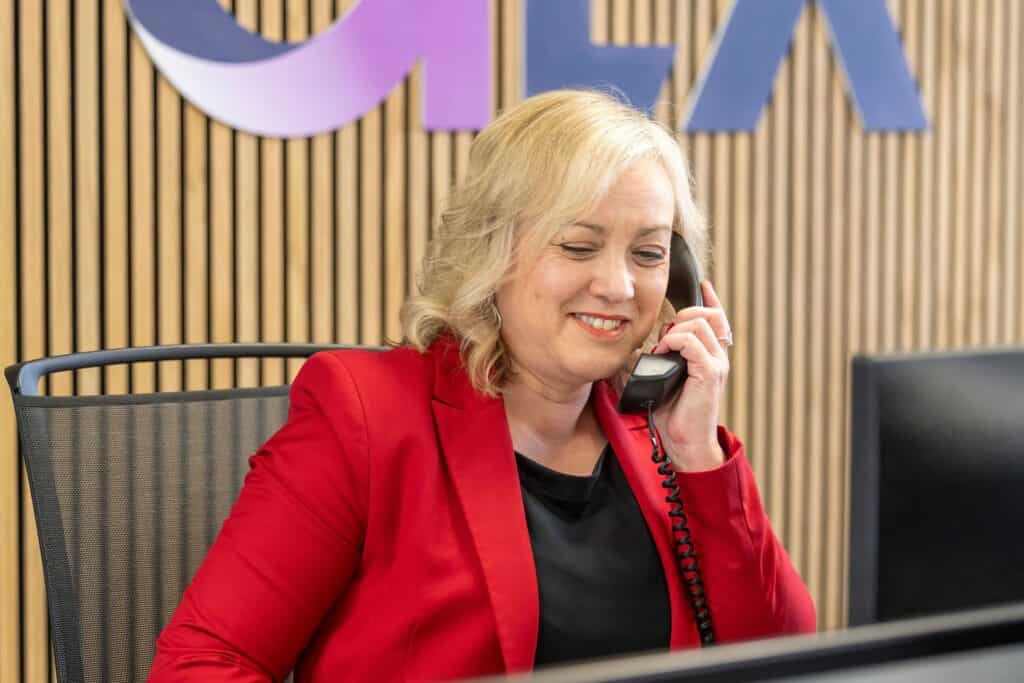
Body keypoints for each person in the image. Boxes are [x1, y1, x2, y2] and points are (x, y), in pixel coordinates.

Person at [150, 89, 815, 682]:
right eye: (579, 246)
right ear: (492, 252)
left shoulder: (659, 436)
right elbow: (204, 661)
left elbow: (786, 655)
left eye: (648, 253)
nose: (618, 286)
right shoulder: (364, 411)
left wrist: (699, 455)